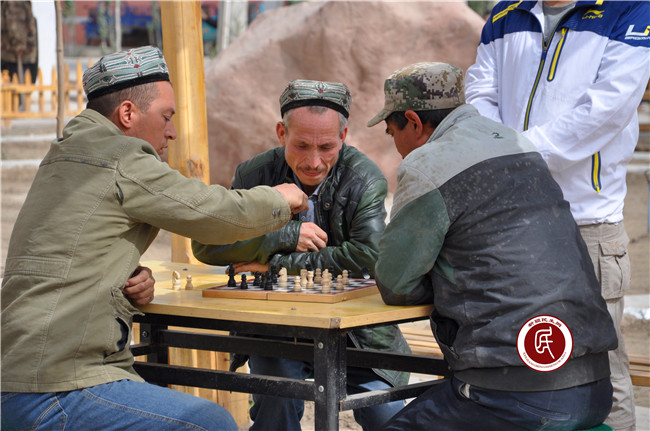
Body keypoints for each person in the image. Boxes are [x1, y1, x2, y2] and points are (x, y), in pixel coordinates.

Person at [0, 46, 308, 431]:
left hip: (22, 376)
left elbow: (71, 249)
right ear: (128, 113)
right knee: (210, 423)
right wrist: (279, 199)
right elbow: (214, 214)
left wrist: (126, 273)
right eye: (166, 116)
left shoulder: (67, 154)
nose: (172, 131)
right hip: (57, 385)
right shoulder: (120, 156)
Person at [368, 62, 618, 430]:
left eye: (392, 133)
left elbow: (395, 284)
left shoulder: (427, 165)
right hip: (595, 387)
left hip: (514, 395)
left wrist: (442, 279)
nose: (397, 148)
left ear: (414, 122)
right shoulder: (519, 143)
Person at [464, 2, 650, 429]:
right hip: (511, 222)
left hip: (586, 224)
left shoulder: (631, 10)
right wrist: (506, 151)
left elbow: (605, 111)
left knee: (601, 372)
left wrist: (514, 155)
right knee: (527, 366)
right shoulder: (505, 14)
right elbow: (480, 95)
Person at [192, 79, 410, 430]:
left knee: (389, 418)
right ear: (281, 133)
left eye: (326, 147)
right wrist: (287, 234)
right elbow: (208, 244)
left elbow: (370, 256)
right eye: (302, 146)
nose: (313, 161)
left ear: (343, 136)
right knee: (275, 410)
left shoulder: (363, 177)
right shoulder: (254, 174)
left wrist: (276, 263)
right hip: (274, 328)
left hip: (357, 333)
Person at [1, 1, 38, 83]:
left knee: (16, 83)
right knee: (16, 83)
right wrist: (18, 45)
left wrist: (19, 45)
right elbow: (14, 24)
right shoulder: (14, 2)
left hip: (16, 54)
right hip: (16, 54)